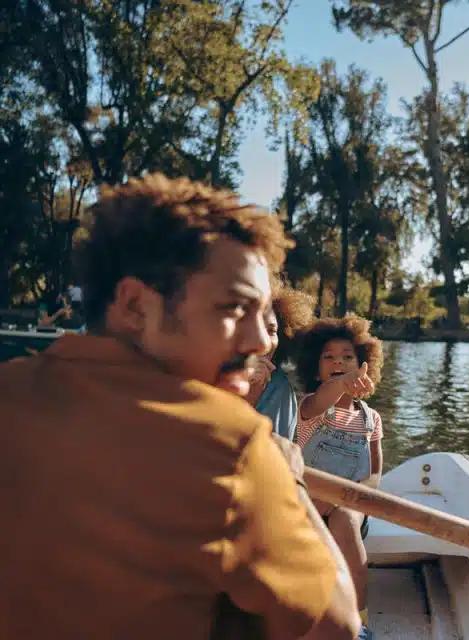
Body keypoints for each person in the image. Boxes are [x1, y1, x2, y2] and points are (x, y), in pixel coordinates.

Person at [0, 174, 360, 640]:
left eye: (261, 315)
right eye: (233, 309)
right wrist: (286, 475)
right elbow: (336, 627)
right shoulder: (228, 442)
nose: (256, 341)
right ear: (135, 306)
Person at [296, 316, 384, 640]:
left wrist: (355, 496)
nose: (339, 363)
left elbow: (374, 474)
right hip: (308, 501)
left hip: (351, 504)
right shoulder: (308, 406)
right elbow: (326, 395)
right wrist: (341, 382)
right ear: (316, 367)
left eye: (347, 357)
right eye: (329, 357)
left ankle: (357, 621)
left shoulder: (371, 418)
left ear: (363, 364)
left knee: (346, 519)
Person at [247, 285, 314, 440]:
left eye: (271, 331)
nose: (263, 341)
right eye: (252, 327)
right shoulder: (205, 378)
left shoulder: (281, 388)